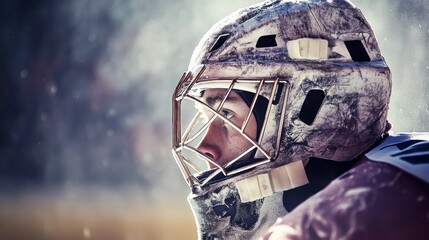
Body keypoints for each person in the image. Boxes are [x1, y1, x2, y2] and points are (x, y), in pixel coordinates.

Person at [171, 0, 429, 239]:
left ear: (311, 109)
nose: (205, 148)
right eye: (207, 119)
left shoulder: (323, 226)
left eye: (227, 114)